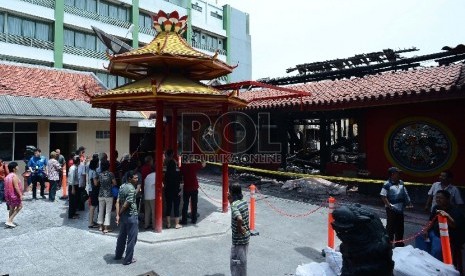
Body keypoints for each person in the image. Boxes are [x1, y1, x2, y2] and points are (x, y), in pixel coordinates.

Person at [416, 190, 465, 272]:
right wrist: (426, 230)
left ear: (448, 199)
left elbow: (454, 225)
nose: (438, 200)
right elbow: (431, 221)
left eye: (440, 198)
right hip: (434, 232)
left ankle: (434, 268)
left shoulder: (456, 211)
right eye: (436, 198)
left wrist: (447, 216)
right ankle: (425, 260)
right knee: (419, 237)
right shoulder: (436, 208)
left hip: (444, 236)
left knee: (437, 250)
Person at [380, 167, 413, 247]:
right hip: (391, 210)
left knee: (400, 227)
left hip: (400, 209)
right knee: (391, 228)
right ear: (392, 174)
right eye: (398, 173)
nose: (399, 175)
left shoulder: (401, 182)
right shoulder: (387, 184)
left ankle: (399, 244)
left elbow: (405, 193)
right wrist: (389, 206)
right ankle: (389, 244)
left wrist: (408, 202)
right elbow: (383, 196)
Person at [115, 171, 139, 265]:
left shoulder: (122, 186)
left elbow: (117, 201)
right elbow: (126, 204)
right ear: (129, 179)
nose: (137, 180)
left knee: (121, 236)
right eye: (135, 178)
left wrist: (117, 214)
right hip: (131, 215)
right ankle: (128, 259)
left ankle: (118, 255)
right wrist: (119, 213)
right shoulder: (132, 189)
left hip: (124, 217)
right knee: (132, 239)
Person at [229, 183, 251, 276]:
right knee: (242, 262)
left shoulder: (234, 205)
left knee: (236, 263)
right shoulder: (243, 201)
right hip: (246, 238)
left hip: (238, 240)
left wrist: (239, 227)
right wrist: (230, 201)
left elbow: (239, 218)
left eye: (229, 191)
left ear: (232, 192)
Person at [180, 158, 206, 225]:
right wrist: (202, 158)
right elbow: (204, 165)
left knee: (185, 205)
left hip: (187, 188)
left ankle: (184, 220)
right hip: (194, 188)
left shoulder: (182, 167)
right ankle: (194, 220)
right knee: (194, 204)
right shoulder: (193, 165)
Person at [96, 159, 116, 234]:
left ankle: (100, 226)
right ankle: (106, 227)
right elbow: (114, 183)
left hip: (100, 194)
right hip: (109, 194)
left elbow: (98, 182)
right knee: (108, 211)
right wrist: (110, 185)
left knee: (101, 210)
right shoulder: (111, 174)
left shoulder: (100, 174)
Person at [164, 149, 182, 229]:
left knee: (168, 207)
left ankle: (168, 224)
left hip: (168, 191)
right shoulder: (177, 174)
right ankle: (176, 224)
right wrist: (179, 191)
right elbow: (179, 183)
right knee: (176, 207)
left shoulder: (166, 174)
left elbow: (165, 182)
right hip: (175, 192)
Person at [4, 162, 22, 228]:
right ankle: (9, 220)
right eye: (17, 166)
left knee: (12, 208)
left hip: (8, 196)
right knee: (20, 206)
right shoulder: (14, 176)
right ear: (14, 169)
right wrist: (20, 195)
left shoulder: (7, 176)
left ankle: (10, 222)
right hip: (14, 195)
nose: (18, 167)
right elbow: (16, 187)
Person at [87, 154, 100, 229]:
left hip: (91, 190)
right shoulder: (94, 172)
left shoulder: (90, 170)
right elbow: (95, 183)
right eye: (98, 163)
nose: (99, 164)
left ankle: (91, 221)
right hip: (94, 191)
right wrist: (100, 178)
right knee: (93, 206)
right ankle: (91, 222)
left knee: (92, 206)